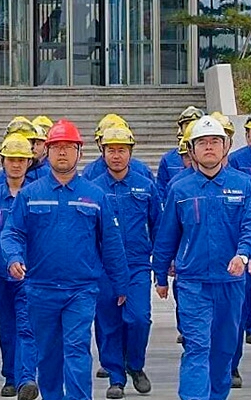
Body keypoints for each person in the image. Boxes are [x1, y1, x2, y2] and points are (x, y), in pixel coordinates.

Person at [0, 120, 128, 400]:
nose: (62, 153)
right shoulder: (30, 195)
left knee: (77, 348)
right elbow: (11, 232)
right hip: (40, 289)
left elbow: (111, 243)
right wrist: (13, 257)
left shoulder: (94, 195)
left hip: (81, 289)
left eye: (69, 147)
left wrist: (120, 284)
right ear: (46, 151)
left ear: (80, 152)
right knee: (48, 354)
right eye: (56, 147)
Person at [153, 115, 251, 400]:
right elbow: (167, 235)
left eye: (215, 141)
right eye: (202, 142)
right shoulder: (179, 189)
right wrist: (160, 275)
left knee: (224, 349)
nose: (209, 147)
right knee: (197, 346)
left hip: (231, 282)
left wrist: (244, 254)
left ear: (226, 146)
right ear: (191, 150)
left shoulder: (243, 185)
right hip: (193, 282)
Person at [85, 120, 159, 399]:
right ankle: (116, 377)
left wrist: (162, 262)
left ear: (131, 152)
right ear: (102, 152)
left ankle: (135, 365)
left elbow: (159, 225)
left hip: (137, 265)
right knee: (108, 323)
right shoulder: (92, 189)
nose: (116, 155)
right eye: (111, 150)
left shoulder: (145, 186)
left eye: (122, 150)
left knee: (139, 318)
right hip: (103, 267)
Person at [0, 129, 41, 399]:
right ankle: (11, 376)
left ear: (29, 162)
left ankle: (26, 378)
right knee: (6, 326)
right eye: (11, 159)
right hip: (0, 274)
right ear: (2, 161)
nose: (16, 164)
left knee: (26, 325)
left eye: (21, 160)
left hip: (30, 274)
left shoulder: (37, 194)